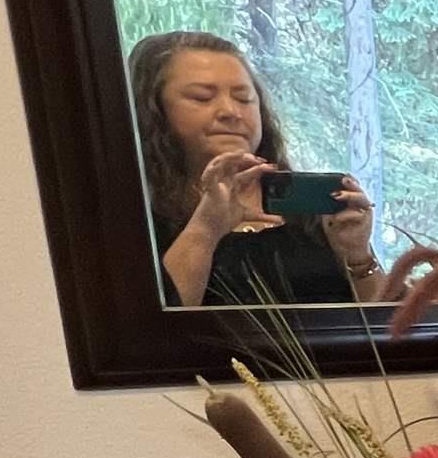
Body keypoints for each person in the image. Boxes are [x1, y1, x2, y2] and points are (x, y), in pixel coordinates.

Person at [130, 31, 388, 309]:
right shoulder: (134, 219)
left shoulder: (312, 212)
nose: (231, 112)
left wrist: (358, 255)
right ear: (154, 109)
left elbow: (386, 324)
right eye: (202, 98)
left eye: (244, 99)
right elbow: (144, 322)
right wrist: (206, 230)